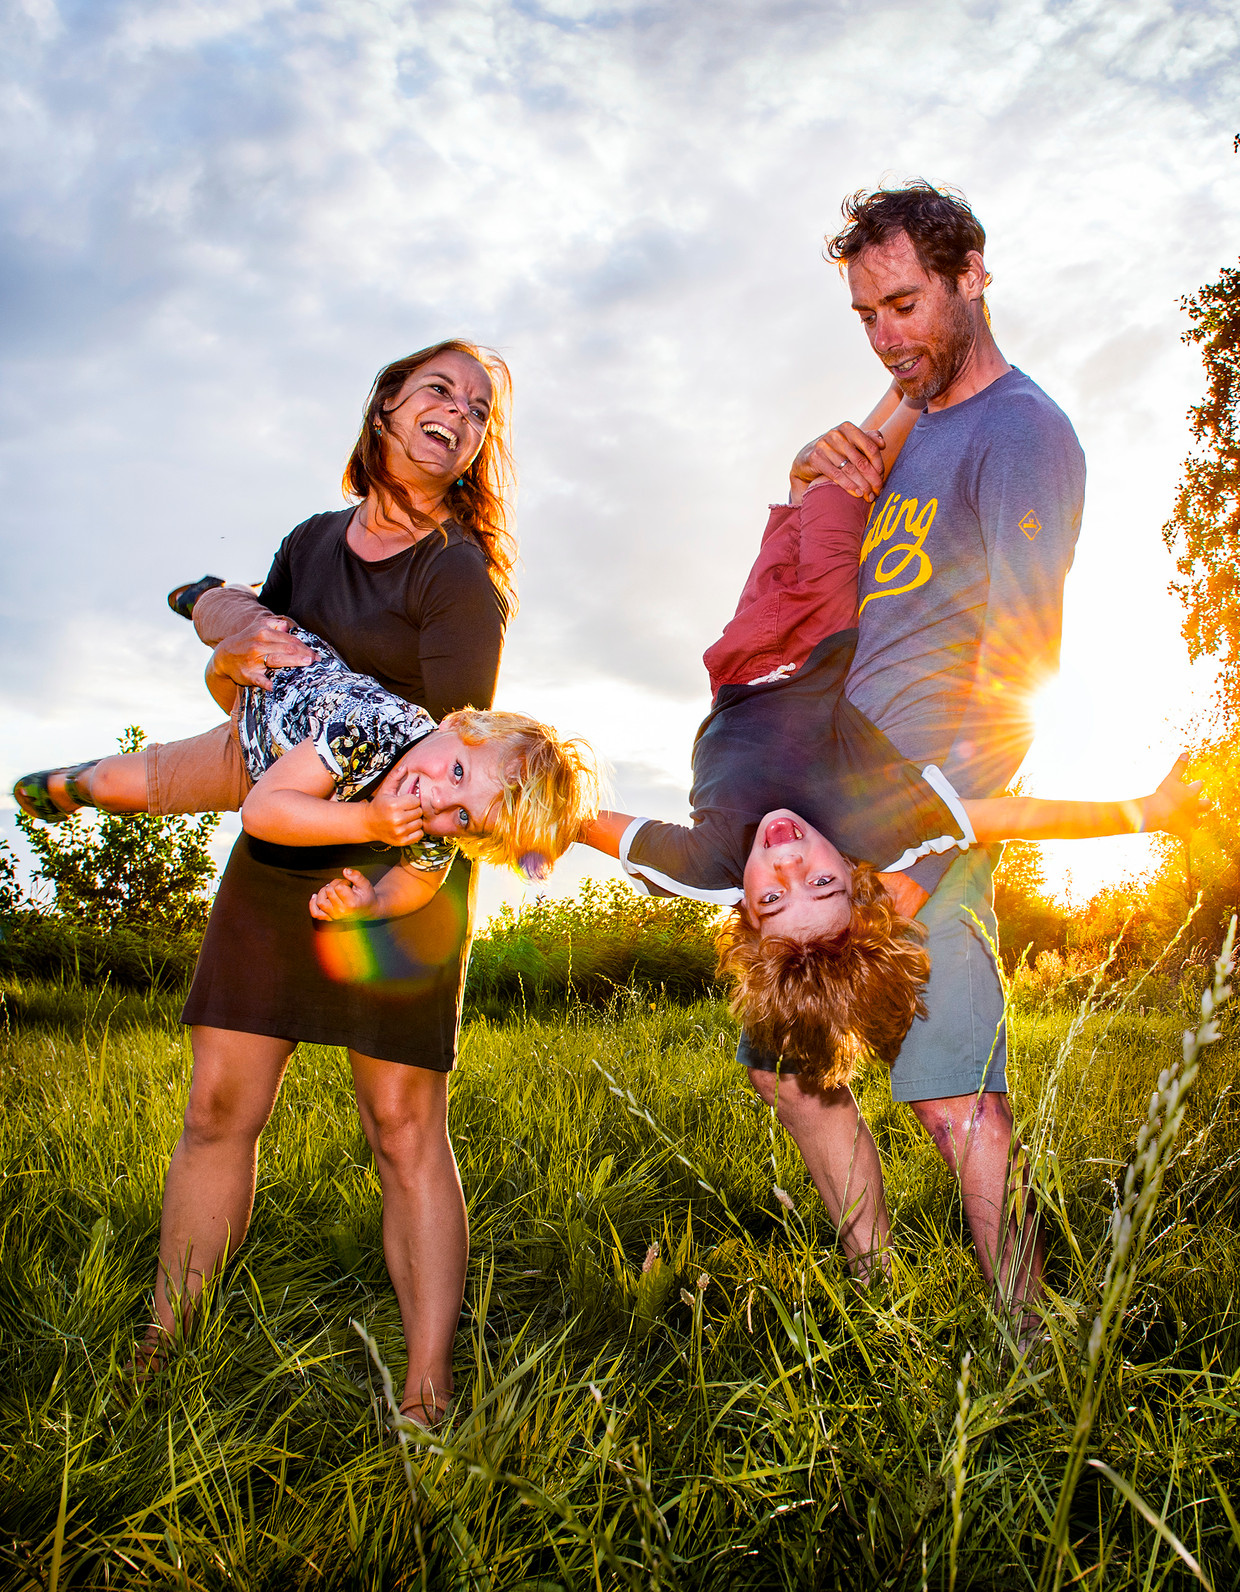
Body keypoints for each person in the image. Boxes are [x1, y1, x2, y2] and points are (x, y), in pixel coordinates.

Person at [580, 410, 1200, 1219]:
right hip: (819, 629)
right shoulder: (880, 823)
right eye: (821, 885)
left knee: (808, 488)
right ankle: (910, 386)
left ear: (745, 910)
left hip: (741, 653)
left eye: (773, 897)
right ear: (857, 876)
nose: (790, 864)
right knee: (838, 479)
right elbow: (1015, 814)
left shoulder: (705, 862)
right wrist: (1147, 811)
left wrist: (494, 801)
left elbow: (582, 819)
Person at [106, 339, 521, 1425]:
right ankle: (164, 1349)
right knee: (218, 1105)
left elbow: (448, 751)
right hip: (278, 839)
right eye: (439, 387)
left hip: (402, 855)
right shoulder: (307, 541)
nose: (459, 410)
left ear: (477, 447)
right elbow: (252, 679)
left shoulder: (458, 574)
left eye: (477, 408)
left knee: (401, 1124)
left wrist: (385, 863)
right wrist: (220, 640)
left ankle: (425, 1391)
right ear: (386, 404)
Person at [771, 181, 1090, 1323]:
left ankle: (1023, 1335)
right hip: (827, 806)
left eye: (904, 303)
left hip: (930, 811)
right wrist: (813, 471)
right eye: (865, 314)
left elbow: (1020, 666)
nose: (885, 334)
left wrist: (920, 857)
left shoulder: (1022, 431)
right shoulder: (903, 432)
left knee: (953, 1096)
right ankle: (878, 1297)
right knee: (786, 1064)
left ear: (973, 275)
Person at [14, 619, 598, 916]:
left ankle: (77, 783)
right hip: (275, 670)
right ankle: (212, 594)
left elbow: (419, 880)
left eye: (465, 819)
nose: (440, 801)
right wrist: (368, 824)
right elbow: (264, 816)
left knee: (117, 786)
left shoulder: (428, 822)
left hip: (256, 758)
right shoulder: (372, 729)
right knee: (235, 616)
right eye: (460, 775)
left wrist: (373, 905)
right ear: (456, 727)